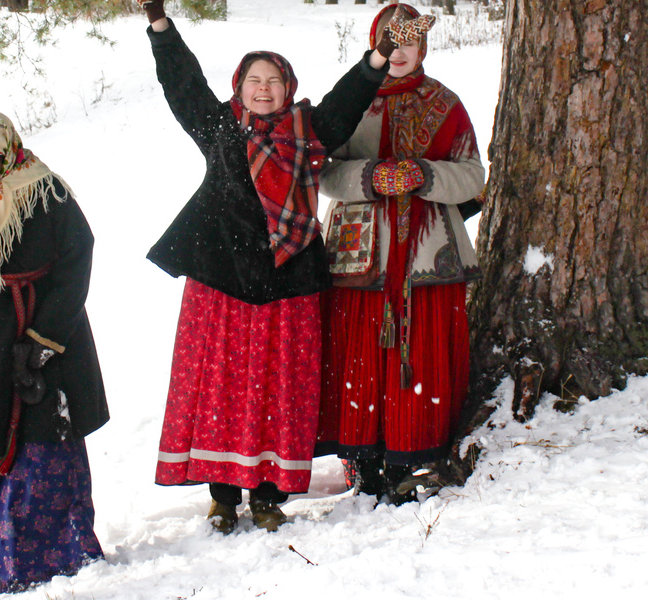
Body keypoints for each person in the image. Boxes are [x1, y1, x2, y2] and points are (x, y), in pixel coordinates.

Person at [137, 0, 395, 534]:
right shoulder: (218, 126)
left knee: (282, 387)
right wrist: (160, 25)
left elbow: (347, 103)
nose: (262, 88)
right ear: (239, 87)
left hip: (290, 276)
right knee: (222, 388)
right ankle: (223, 496)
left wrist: (378, 57)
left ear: (288, 86)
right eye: (253, 80)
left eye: (273, 80)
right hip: (222, 277)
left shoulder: (310, 128)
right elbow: (182, 85)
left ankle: (269, 495)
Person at [316, 3, 484, 505]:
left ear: (423, 48)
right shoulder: (351, 100)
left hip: (427, 255)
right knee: (358, 352)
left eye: (409, 41)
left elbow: (473, 174)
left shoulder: (445, 103)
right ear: (375, 45)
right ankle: (361, 458)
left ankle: (414, 456)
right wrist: (370, 177)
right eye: (391, 41)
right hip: (359, 251)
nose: (400, 51)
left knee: (421, 350)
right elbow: (325, 171)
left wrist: (425, 176)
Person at [0, 109, 109, 592]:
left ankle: (50, 549)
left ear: (5, 153)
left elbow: (77, 261)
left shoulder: (45, 191)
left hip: (41, 327)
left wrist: (44, 340)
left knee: (39, 434)